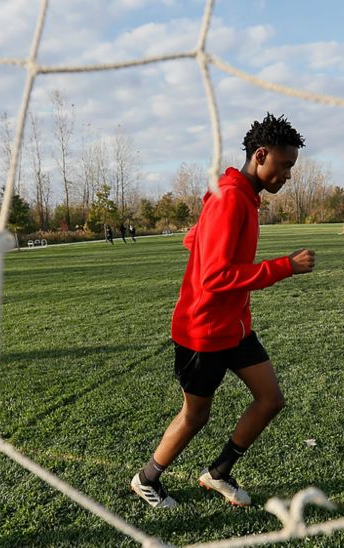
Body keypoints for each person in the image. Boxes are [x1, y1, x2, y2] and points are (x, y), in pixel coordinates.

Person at [130, 113, 315, 509]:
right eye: (284, 166)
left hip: (234, 325)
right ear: (261, 155)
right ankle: (146, 479)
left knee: (270, 399)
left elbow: (191, 238)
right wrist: (286, 266)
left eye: (291, 168)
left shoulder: (240, 195)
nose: (288, 175)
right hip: (203, 331)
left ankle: (218, 473)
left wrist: (205, 237)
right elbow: (215, 276)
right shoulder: (231, 197)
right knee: (196, 416)